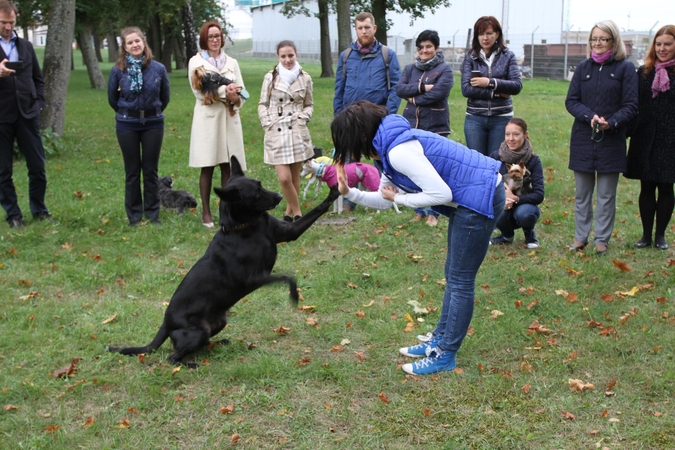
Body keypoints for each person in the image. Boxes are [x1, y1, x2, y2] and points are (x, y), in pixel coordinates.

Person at [331, 100, 505, 376]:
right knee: (453, 274)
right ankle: (440, 338)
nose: (345, 151)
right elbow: (385, 200)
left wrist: (401, 198)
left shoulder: (399, 151)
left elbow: (440, 194)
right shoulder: (386, 148)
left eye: (344, 142)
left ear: (360, 136)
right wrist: (348, 192)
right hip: (471, 197)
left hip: (480, 196)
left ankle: (445, 354)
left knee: (460, 280)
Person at [565, 20, 638, 255]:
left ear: (613, 42)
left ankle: (602, 240)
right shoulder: (583, 68)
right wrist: (589, 117)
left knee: (606, 195)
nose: (597, 43)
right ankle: (580, 237)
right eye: (594, 39)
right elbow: (571, 101)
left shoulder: (626, 69)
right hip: (584, 139)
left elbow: (631, 105)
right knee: (582, 194)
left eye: (603, 39)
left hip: (612, 140)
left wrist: (612, 122)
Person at [108, 26, 170, 227]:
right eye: (130, 42)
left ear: (144, 43)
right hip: (127, 125)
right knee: (132, 171)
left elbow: (165, 97)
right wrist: (129, 113)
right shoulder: (118, 71)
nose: (134, 45)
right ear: (124, 48)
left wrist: (151, 113)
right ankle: (134, 216)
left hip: (153, 124)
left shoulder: (158, 69)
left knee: (150, 170)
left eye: (137, 41)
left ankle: (152, 214)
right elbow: (113, 99)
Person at [188, 21, 246, 228]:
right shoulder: (196, 62)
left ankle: (226, 213)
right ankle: (206, 212)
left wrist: (235, 98)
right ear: (204, 39)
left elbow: (242, 92)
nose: (215, 40)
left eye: (218, 36)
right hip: (208, 121)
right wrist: (226, 93)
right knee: (208, 165)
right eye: (211, 36)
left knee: (228, 167)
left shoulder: (232, 62)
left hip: (229, 118)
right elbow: (199, 91)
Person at [0, 0, 51, 228]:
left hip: (28, 114)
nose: (8, 27)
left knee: (37, 167)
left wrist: (39, 102)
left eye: (11, 22)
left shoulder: (26, 46)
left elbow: (37, 78)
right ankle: (13, 215)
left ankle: (39, 209)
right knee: (3, 170)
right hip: (2, 116)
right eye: (3, 22)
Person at [396, 29, 454, 227]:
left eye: (428, 46)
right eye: (421, 47)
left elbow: (438, 93)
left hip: (436, 127)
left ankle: (434, 213)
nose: (424, 50)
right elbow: (399, 89)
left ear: (436, 48)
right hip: (411, 126)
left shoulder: (444, 69)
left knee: (435, 171)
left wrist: (413, 99)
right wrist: (422, 88)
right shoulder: (411, 68)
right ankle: (418, 210)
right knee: (414, 170)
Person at [625, 26, 675, 251]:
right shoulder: (644, 72)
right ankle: (645, 235)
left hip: (670, 138)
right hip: (645, 136)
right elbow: (633, 104)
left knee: (666, 186)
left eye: (667, 44)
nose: (662, 49)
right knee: (646, 186)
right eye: (659, 44)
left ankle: (660, 236)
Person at [258, 40, 314, 222]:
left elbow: (309, 105)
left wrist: (303, 118)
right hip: (277, 131)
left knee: (294, 177)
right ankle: (298, 214)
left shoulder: (305, 78)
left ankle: (289, 215)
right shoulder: (270, 77)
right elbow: (262, 104)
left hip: (296, 130)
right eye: (283, 56)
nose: (287, 59)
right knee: (284, 178)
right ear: (278, 57)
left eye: (290, 55)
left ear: (296, 54)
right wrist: (267, 123)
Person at [461, 16, 522, 156]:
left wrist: (489, 82)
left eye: (489, 33)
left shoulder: (508, 56)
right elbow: (466, 89)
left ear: (497, 34)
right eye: (481, 34)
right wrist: (497, 93)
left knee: (496, 162)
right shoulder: (470, 58)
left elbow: (516, 85)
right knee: (476, 162)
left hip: (501, 117)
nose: (485, 38)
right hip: (475, 118)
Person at [489, 118, 545, 248]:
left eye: (516, 134)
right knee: (496, 209)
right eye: (507, 134)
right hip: (502, 202)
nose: (511, 139)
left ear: (525, 135)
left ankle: (529, 233)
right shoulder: (495, 156)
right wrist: (502, 196)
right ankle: (506, 235)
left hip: (523, 203)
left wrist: (515, 199)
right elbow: (486, 184)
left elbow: (539, 194)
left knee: (525, 214)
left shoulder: (533, 160)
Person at [334, 12, 401, 116]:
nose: (364, 31)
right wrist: (338, 115)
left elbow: (396, 88)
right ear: (356, 30)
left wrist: (387, 115)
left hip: (376, 117)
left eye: (367, 27)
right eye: (360, 28)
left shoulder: (388, 55)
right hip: (350, 116)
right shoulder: (346, 56)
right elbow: (339, 89)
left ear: (374, 28)